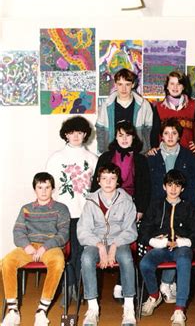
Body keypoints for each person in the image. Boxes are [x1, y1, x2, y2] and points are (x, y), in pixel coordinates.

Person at [91, 120, 150, 300]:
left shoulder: (141, 159)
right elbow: (95, 185)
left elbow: (146, 187)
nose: (124, 139)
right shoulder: (105, 157)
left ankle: (122, 283)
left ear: (134, 137)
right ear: (115, 137)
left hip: (131, 206)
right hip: (107, 206)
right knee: (109, 237)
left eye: (128, 135)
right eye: (120, 135)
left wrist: (140, 209)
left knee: (128, 243)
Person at [1, 172, 70, 326]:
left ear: (52, 189)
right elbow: (18, 231)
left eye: (47, 187)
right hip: (29, 247)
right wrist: (27, 246)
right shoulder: (26, 209)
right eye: (40, 187)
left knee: (58, 263)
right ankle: (13, 310)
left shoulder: (61, 209)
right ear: (35, 189)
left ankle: (41, 311)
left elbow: (63, 234)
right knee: (7, 261)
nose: (44, 191)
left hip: (51, 247)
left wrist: (45, 247)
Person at [77, 163, 138, 326]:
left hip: (119, 241)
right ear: (98, 181)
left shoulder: (126, 200)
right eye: (104, 178)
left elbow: (131, 230)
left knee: (125, 258)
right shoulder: (90, 201)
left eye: (112, 178)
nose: (108, 182)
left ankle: (129, 307)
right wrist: (99, 245)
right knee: (87, 258)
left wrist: (114, 245)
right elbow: (83, 230)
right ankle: (92, 308)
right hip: (96, 242)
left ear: (118, 181)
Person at [139, 170, 195, 326]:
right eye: (170, 185)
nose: (173, 189)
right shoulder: (155, 206)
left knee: (184, 261)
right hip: (161, 247)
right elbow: (143, 231)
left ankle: (179, 308)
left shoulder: (189, 207)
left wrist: (185, 241)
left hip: (181, 248)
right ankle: (154, 295)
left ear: (183, 189)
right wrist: (154, 240)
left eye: (177, 185)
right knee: (145, 264)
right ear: (164, 186)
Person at [46, 116, 97, 300]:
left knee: (79, 253)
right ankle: (68, 287)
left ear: (85, 135)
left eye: (80, 132)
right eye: (71, 132)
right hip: (61, 213)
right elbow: (48, 188)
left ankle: (76, 288)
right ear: (65, 135)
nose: (76, 136)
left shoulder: (93, 159)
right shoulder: (56, 158)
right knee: (62, 253)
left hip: (84, 215)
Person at [148, 117, 195, 302]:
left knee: (177, 239)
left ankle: (167, 283)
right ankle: (164, 285)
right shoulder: (152, 156)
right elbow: (149, 184)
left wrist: (193, 206)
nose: (170, 137)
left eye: (174, 133)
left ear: (179, 136)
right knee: (163, 240)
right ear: (161, 135)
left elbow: (191, 185)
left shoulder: (188, 156)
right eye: (166, 133)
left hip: (181, 207)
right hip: (159, 208)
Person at [150, 70, 195, 152]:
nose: (175, 87)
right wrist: (154, 148)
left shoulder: (193, 106)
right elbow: (155, 131)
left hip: (187, 155)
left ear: (183, 87)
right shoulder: (159, 107)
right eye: (172, 84)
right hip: (164, 155)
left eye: (179, 84)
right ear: (167, 86)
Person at [96, 68, 153, 154]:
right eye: (120, 84)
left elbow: (149, 131)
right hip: (113, 152)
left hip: (137, 153)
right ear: (115, 84)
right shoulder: (107, 104)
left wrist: (146, 150)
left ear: (133, 85)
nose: (123, 88)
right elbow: (100, 129)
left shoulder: (144, 105)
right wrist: (103, 150)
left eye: (127, 84)